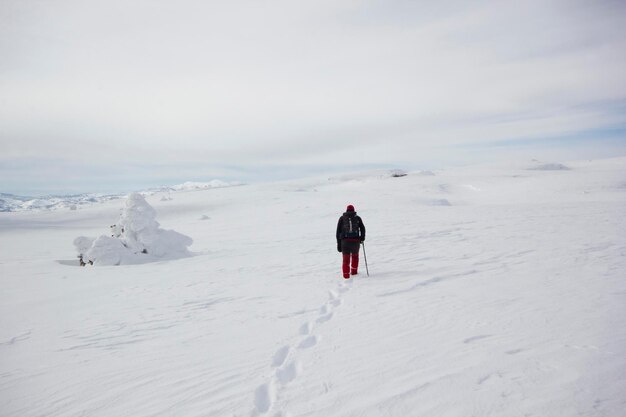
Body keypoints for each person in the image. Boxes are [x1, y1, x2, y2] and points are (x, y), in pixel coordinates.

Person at [336, 205, 366, 279]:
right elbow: (363, 229)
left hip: (345, 242)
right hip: (355, 241)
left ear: (346, 210)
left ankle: (346, 276)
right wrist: (362, 239)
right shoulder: (357, 218)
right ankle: (354, 272)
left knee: (346, 259)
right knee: (355, 257)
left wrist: (339, 244)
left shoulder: (342, 218)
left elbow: (337, 232)